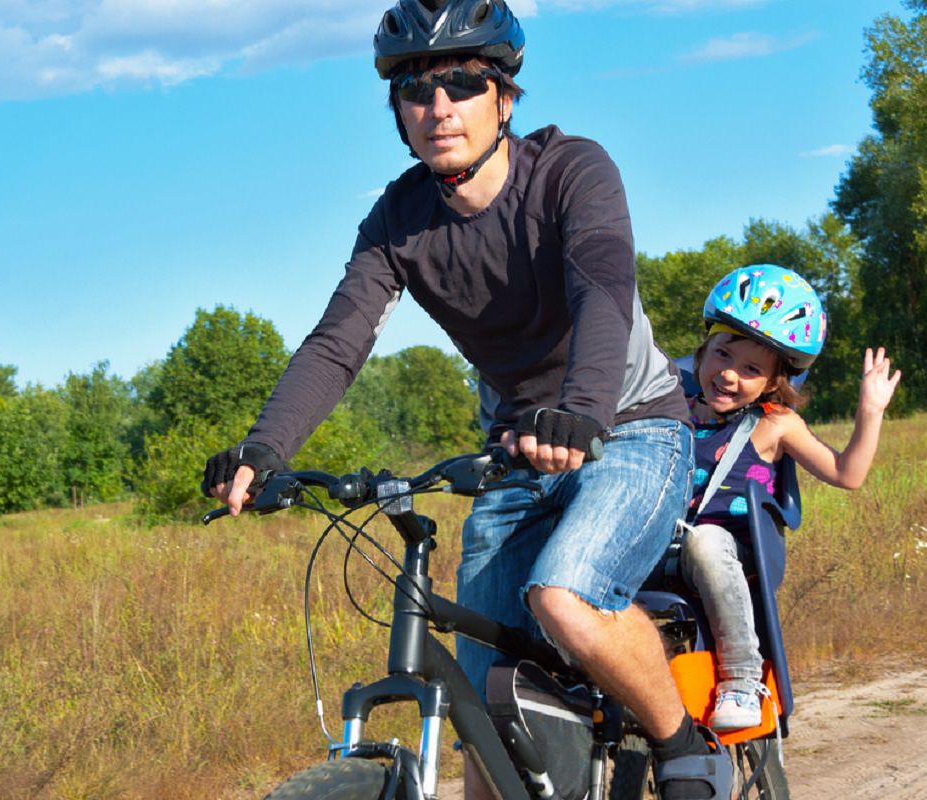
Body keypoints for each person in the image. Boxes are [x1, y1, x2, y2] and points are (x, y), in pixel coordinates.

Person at [202, 1, 730, 797]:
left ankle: (680, 741)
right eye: (417, 91)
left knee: (565, 598)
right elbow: (338, 341)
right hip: (516, 455)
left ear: (504, 99)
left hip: (629, 428)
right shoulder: (397, 223)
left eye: (461, 81)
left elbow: (602, 291)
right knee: (481, 707)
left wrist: (584, 409)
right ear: (399, 115)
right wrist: (264, 449)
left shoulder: (572, 171)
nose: (439, 105)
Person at [681, 264, 901, 730]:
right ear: (701, 355)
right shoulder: (670, 410)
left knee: (705, 540)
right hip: (665, 541)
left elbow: (847, 473)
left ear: (773, 382)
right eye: (722, 354)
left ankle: (741, 678)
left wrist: (870, 410)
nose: (730, 375)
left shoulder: (776, 424)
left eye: (752, 369)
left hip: (735, 550)